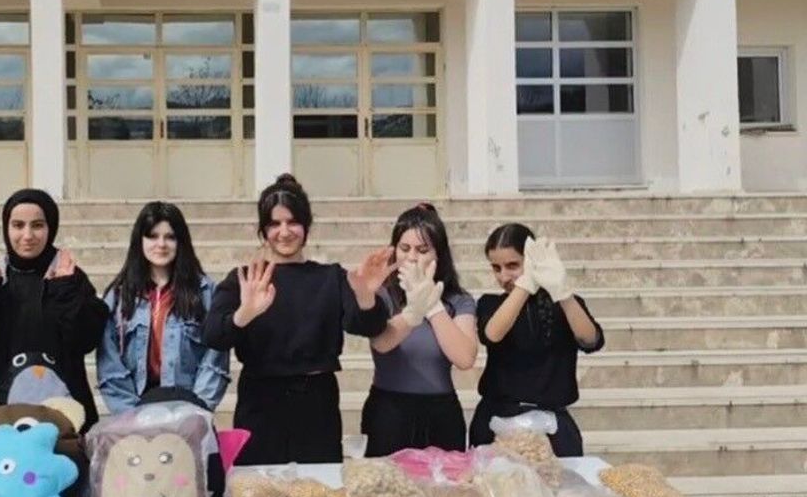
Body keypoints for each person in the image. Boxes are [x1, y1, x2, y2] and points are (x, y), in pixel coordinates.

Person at [203, 174, 394, 465]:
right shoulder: (246, 278)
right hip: (261, 403)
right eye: (274, 224)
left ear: (306, 226)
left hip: (316, 404)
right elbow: (213, 335)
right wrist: (245, 314)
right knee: (258, 487)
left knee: (319, 485)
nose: (284, 232)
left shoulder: (331, 277)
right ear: (263, 230)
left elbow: (368, 326)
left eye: (292, 222)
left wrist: (366, 295)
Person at [0, 188, 109, 432]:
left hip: (62, 412)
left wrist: (64, 290)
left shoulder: (67, 276)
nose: (27, 235)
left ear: (51, 228)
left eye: (37, 225)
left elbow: (85, 340)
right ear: (6, 228)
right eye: (18, 225)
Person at [469, 223, 605, 457]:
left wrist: (563, 292)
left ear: (530, 261)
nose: (503, 276)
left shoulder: (563, 305)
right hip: (497, 419)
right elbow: (492, 334)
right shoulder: (490, 303)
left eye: (513, 265)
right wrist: (525, 285)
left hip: (552, 425)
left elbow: (590, 339)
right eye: (496, 268)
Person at [363, 203, 478, 456]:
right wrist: (413, 311)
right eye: (404, 249)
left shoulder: (458, 300)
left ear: (439, 254)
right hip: (389, 412)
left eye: (423, 250)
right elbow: (382, 342)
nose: (412, 257)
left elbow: (465, 358)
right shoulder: (382, 295)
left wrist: (432, 305)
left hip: (441, 414)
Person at [97, 201, 230, 414]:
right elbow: (109, 362)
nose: (161, 244)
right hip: (134, 412)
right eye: (152, 236)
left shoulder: (205, 292)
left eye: (170, 237)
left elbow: (215, 358)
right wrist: (131, 415)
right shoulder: (119, 296)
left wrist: (196, 410)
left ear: (181, 241)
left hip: (189, 410)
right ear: (140, 240)